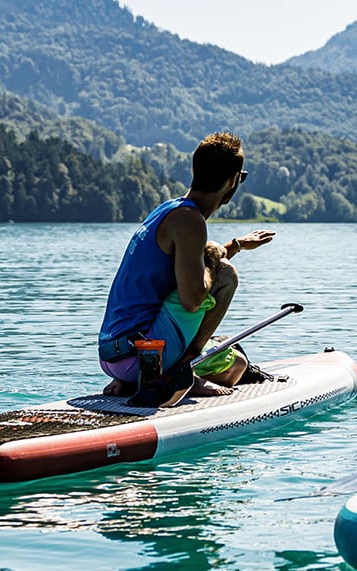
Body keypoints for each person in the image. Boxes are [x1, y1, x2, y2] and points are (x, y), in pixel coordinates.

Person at [98, 131, 275, 406]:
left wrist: (234, 246)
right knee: (236, 361)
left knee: (216, 268)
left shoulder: (169, 210)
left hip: (113, 356)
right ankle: (180, 372)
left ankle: (139, 378)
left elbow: (189, 270)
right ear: (233, 181)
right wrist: (218, 254)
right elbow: (193, 297)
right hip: (144, 357)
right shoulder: (191, 221)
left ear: (195, 170)